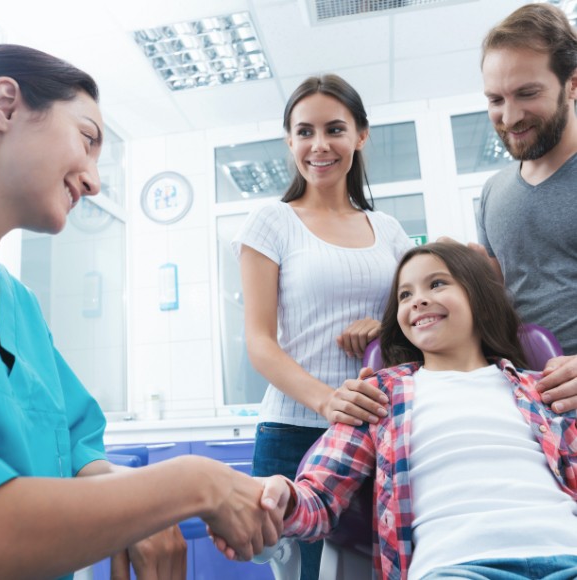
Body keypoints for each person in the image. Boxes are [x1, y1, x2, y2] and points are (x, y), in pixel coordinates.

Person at [0, 44, 283, 580]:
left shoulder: (20, 306)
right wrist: (194, 483)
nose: (96, 181)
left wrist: (137, 512)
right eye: (87, 138)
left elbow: (76, 449)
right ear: (6, 105)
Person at [232, 241, 577, 580]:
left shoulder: (543, 388)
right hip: (457, 567)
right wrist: (284, 499)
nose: (418, 300)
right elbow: (319, 500)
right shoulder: (379, 396)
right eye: (405, 295)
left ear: (480, 299)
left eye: (437, 283)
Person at [232, 74, 412, 577]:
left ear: (361, 135)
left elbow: (417, 322)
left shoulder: (390, 231)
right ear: (289, 141)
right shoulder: (271, 222)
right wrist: (326, 400)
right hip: (293, 432)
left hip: (377, 432)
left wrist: (384, 326)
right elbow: (260, 342)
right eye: (304, 132)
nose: (319, 145)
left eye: (335, 129)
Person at [475, 3, 577, 412]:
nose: (510, 116)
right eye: (495, 99)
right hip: (531, 415)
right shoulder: (493, 193)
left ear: (572, 83)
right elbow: (497, 306)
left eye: (527, 94)